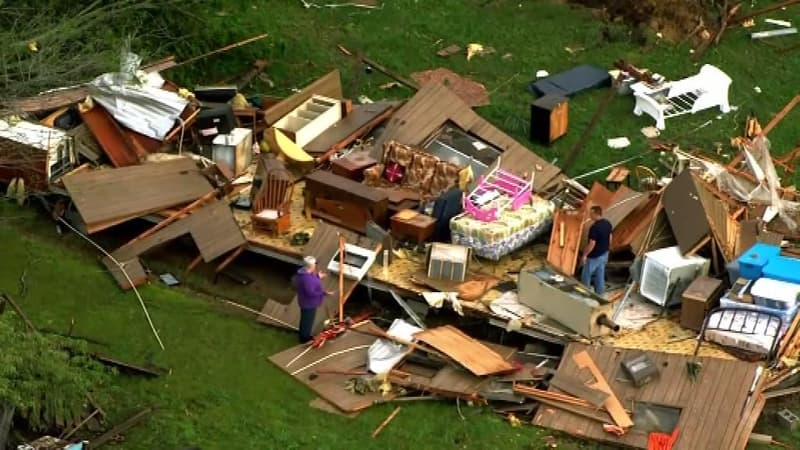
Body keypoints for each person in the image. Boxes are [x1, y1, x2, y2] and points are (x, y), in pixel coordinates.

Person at [293, 256, 334, 343]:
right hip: (309, 303)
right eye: (315, 263)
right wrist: (324, 293)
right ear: (311, 266)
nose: (316, 265)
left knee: (305, 320)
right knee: (307, 321)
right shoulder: (307, 279)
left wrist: (318, 276)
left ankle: (304, 335)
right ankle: (304, 339)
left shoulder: (304, 274)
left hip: (305, 302)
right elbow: (311, 292)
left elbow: (311, 281)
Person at [580, 205, 612, 296]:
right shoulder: (607, 223)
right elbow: (610, 237)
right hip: (604, 254)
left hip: (595, 256)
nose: (590, 216)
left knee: (586, 275)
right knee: (600, 275)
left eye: (591, 214)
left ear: (595, 214)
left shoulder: (594, 227)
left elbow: (592, 244)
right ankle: (600, 294)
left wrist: (585, 255)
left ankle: (584, 294)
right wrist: (607, 248)